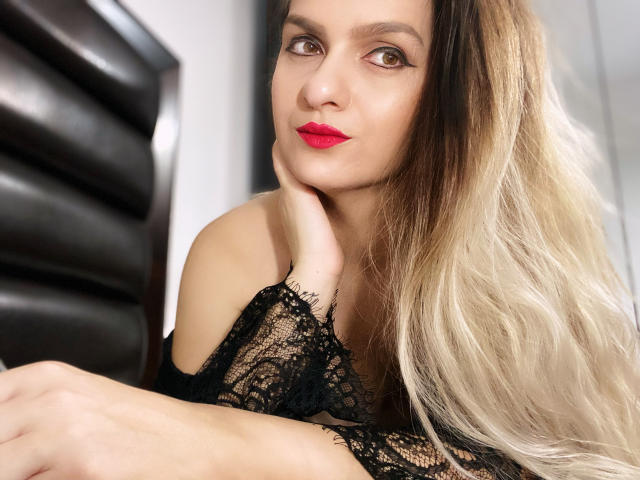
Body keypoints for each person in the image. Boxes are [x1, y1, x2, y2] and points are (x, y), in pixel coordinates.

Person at [1, 0, 639, 479]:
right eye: (305, 43)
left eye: (386, 55)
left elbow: (548, 467)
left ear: (463, 98)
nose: (318, 89)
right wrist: (308, 280)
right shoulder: (236, 248)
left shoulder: (525, 280)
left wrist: (244, 447)